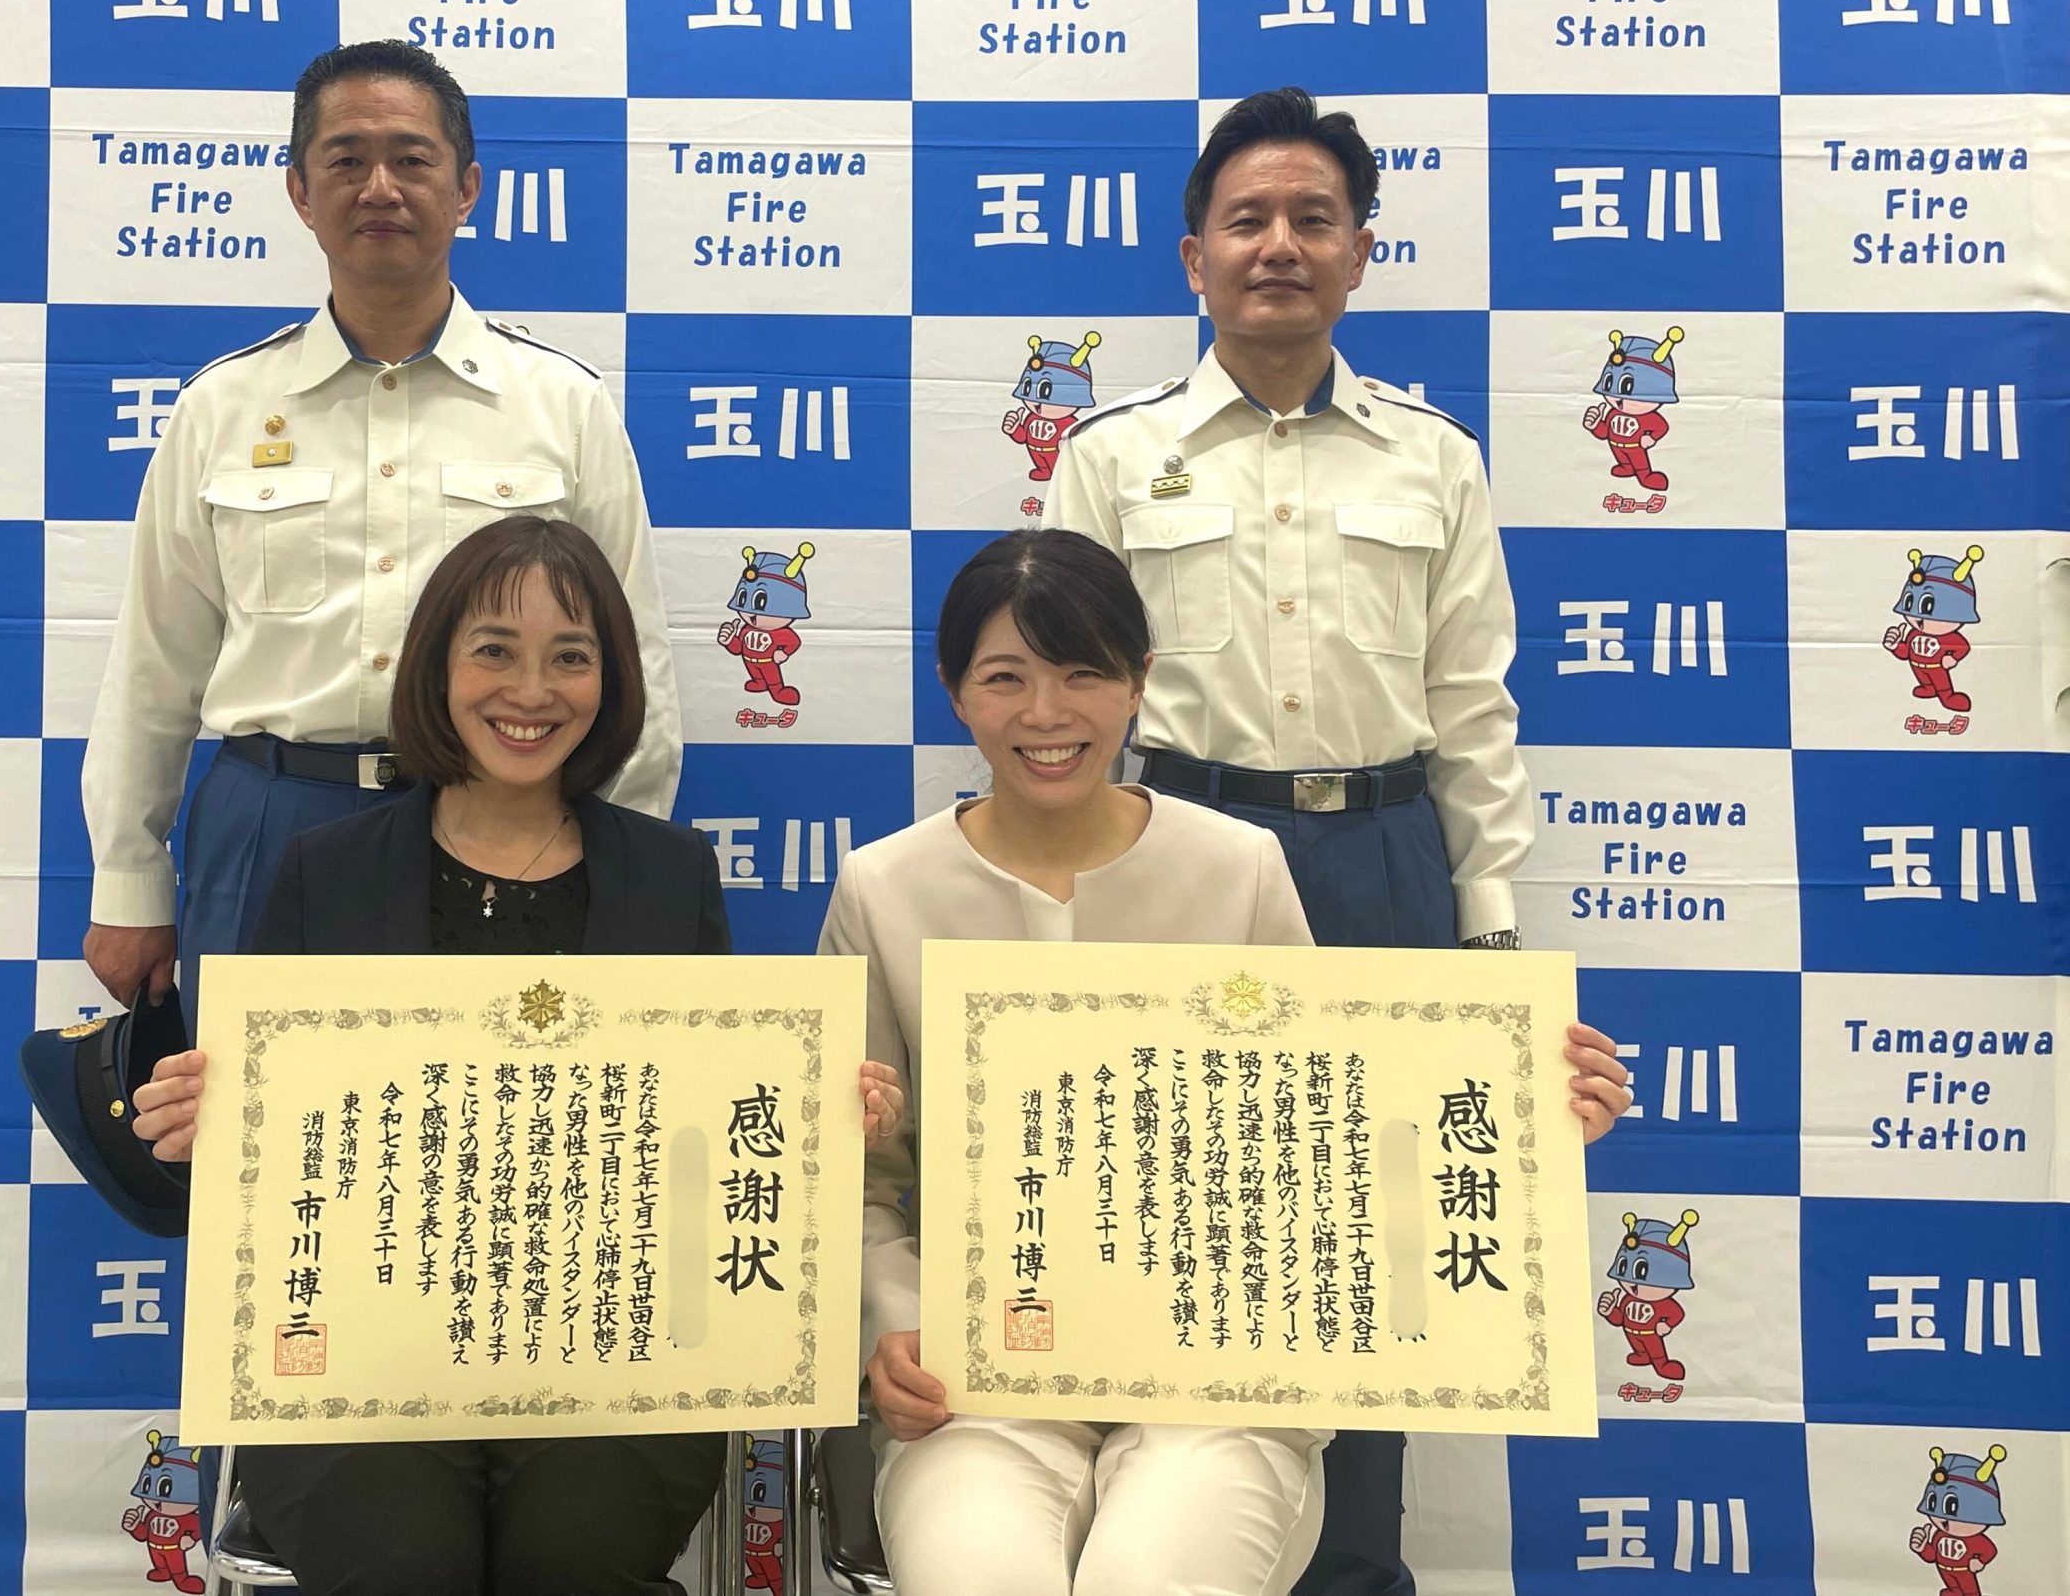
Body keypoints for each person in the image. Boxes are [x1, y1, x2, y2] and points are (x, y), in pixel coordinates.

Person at [829, 531, 1631, 1596]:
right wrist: (894, 1324)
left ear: (1139, 683)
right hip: (982, 1382)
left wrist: (1534, 1111)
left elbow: (1329, 1131)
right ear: (953, 690)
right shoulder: (883, 886)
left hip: (1219, 1374)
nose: (1045, 713)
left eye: (1083, 674)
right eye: (1005, 678)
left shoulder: (1237, 864)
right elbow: (860, 1180)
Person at [121, 518, 903, 1596]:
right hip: (365, 1350)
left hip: (614, 1347)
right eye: (494, 650)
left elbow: (702, 1138)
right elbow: (273, 1145)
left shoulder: (669, 875)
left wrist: (816, 1119)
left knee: (570, 1560)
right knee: (405, 1566)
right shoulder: (325, 871)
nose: (531, 691)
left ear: (610, 681)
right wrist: (199, 1121)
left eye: (569, 657)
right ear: (436, 667)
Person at [1044, 88, 1535, 1596]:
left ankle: (1352, 1567)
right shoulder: (1114, 455)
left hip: (1380, 863)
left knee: (1370, 1251)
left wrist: (1489, 932)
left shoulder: (1433, 457)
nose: (1279, 246)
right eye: (1246, 220)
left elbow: (1472, 705)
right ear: (1193, 257)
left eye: (1313, 219)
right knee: (1165, 1225)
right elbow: (1064, 705)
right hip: (1175, 863)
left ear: (1360, 252)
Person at [81, 39, 681, 1019]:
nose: (380, 188)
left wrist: (624, 862)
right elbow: (154, 663)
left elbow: (633, 663)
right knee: (265, 1113)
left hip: (504, 823)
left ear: (467, 188)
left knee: (483, 1108)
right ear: (299, 191)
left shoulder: (562, 406)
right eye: (346, 160)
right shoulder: (221, 408)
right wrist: (127, 879)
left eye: (411, 159)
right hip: (273, 818)